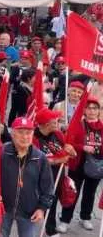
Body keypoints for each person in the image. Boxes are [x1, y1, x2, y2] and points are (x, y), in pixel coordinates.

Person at [0, 117, 54, 237]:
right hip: (3, 207)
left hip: (29, 210)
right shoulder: (1, 152)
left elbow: (48, 187)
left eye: (28, 133)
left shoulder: (40, 158)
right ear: (13, 134)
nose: (25, 137)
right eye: (20, 132)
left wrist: (41, 208)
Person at [58, 96, 103, 232]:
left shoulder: (102, 127)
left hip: (95, 165)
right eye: (88, 108)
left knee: (90, 193)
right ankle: (65, 220)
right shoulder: (78, 124)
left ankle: (86, 217)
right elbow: (69, 142)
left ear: (99, 111)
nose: (91, 111)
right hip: (78, 164)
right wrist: (83, 147)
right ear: (84, 110)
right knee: (72, 192)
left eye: (94, 108)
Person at [33, 108, 76, 237]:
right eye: (54, 122)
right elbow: (36, 159)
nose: (57, 124)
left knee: (54, 200)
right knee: (46, 200)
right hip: (43, 176)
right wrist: (58, 160)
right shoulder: (34, 137)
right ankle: (50, 229)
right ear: (46, 124)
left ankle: (50, 226)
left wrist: (72, 151)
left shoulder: (57, 134)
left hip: (58, 174)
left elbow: (67, 151)